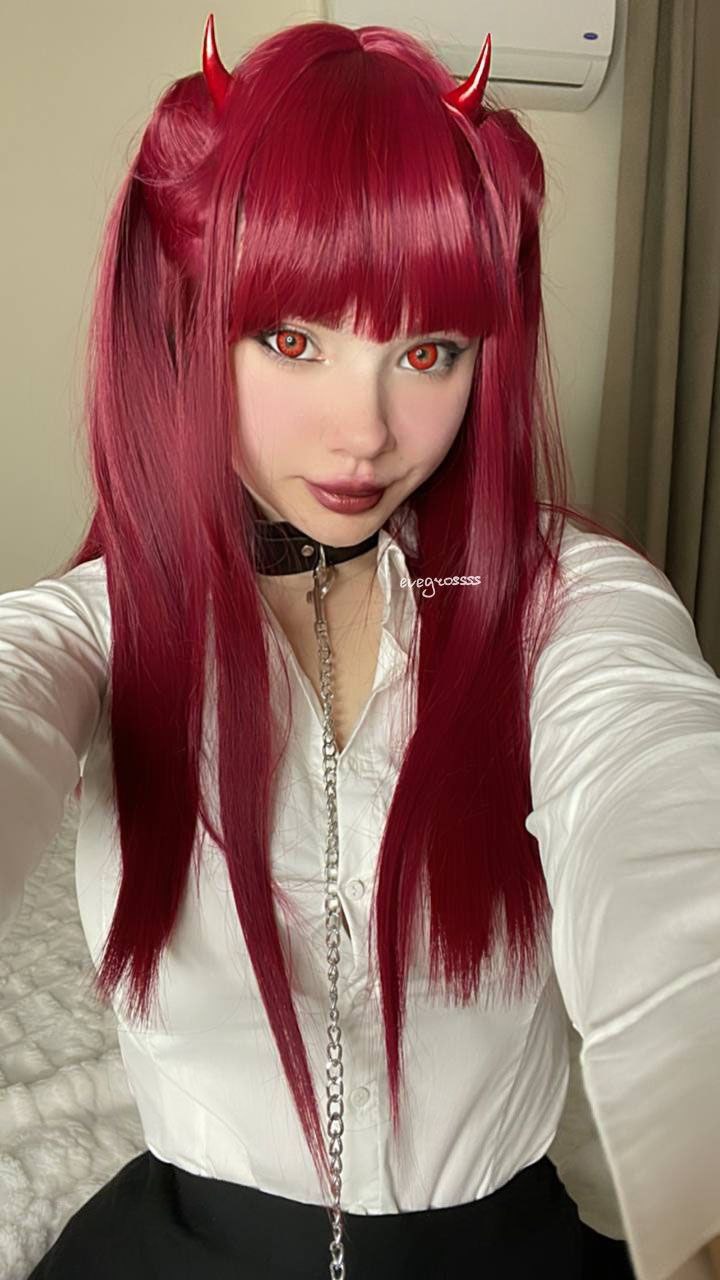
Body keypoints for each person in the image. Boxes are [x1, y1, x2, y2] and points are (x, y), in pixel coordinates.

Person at [1, 12, 718, 1280]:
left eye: (428, 351)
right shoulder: (102, 622)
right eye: (292, 340)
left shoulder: (568, 600)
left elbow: (667, 816)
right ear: (186, 321)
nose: (366, 432)